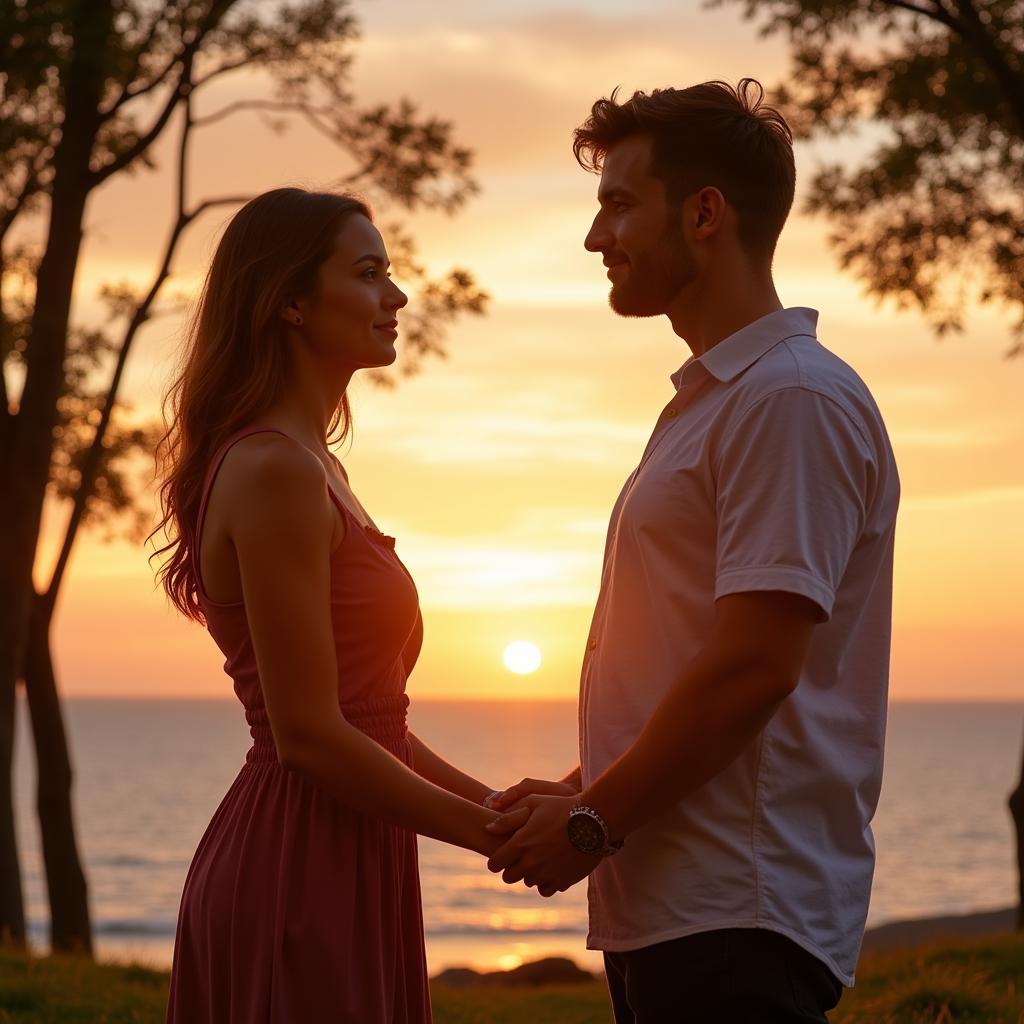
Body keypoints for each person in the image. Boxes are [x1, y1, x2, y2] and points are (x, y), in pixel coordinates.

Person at [484, 79, 901, 1022]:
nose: (598, 239)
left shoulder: (790, 399)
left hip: (739, 920)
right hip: (676, 908)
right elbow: (691, 656)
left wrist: (593, 823)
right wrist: (586, 787)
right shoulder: (717, 403)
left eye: (620, 205)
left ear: (705, 213)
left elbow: (754, 666)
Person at [151, 188, 524, 1024]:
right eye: (367, 273)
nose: (396, 297)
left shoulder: (317, 466)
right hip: (297, 866)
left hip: (355, 849)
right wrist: (487, 837)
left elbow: (369, 719)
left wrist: (496, 806)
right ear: (287, 299)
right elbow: (310, 735)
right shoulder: (274, 469)